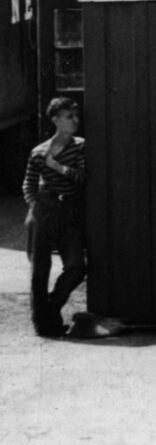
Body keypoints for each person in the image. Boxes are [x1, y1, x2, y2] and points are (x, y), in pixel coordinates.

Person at [24, 94, 89, 339]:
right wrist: (35, 207)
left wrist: (58, 167)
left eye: (76, 115)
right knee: (39, 271)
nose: (75, 120)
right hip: (43, 209)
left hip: (68, 210)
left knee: (76, 266)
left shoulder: (80, 146)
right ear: (55, 119)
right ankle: (44, 327)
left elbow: (82, 177)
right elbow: (28, 184)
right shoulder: (39, 151)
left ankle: (49, 310)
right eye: (68, 116)